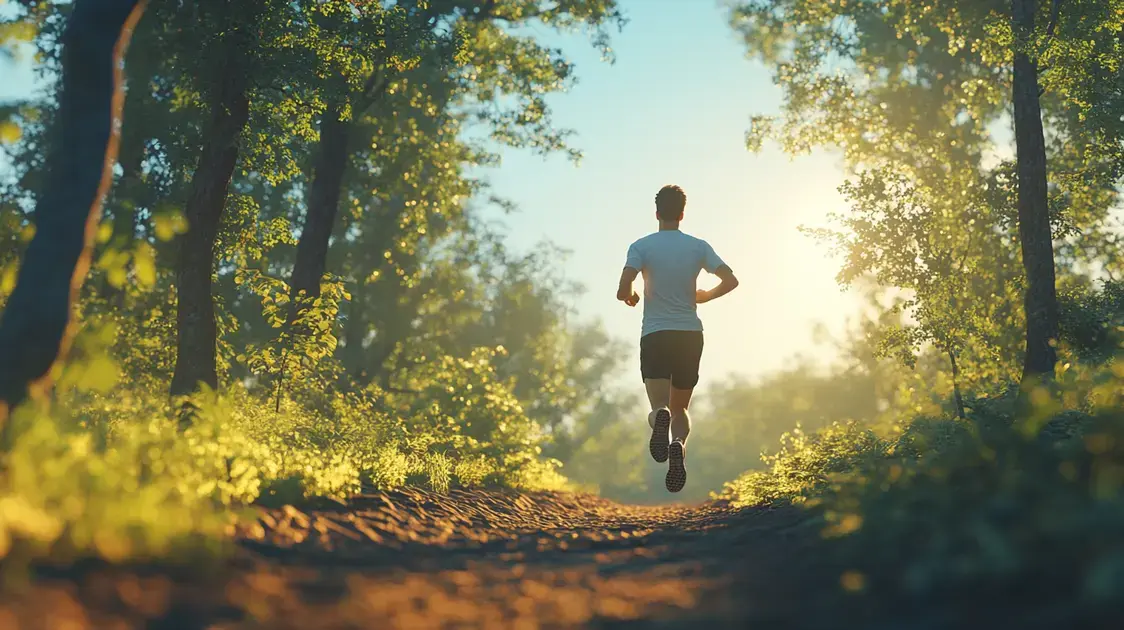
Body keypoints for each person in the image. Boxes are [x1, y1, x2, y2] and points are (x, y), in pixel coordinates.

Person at [616, 185, 739, 493]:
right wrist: (706, 297)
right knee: (681, 407)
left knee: (660, 406)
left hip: (655, 334)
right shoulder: (698, 246)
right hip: (689, 333)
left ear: (656, 213)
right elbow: (730, 280)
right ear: (682, 214)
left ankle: (660, 417)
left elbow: (624, 285)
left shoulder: (641, 246)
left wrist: (629, 295)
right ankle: (678, 444)